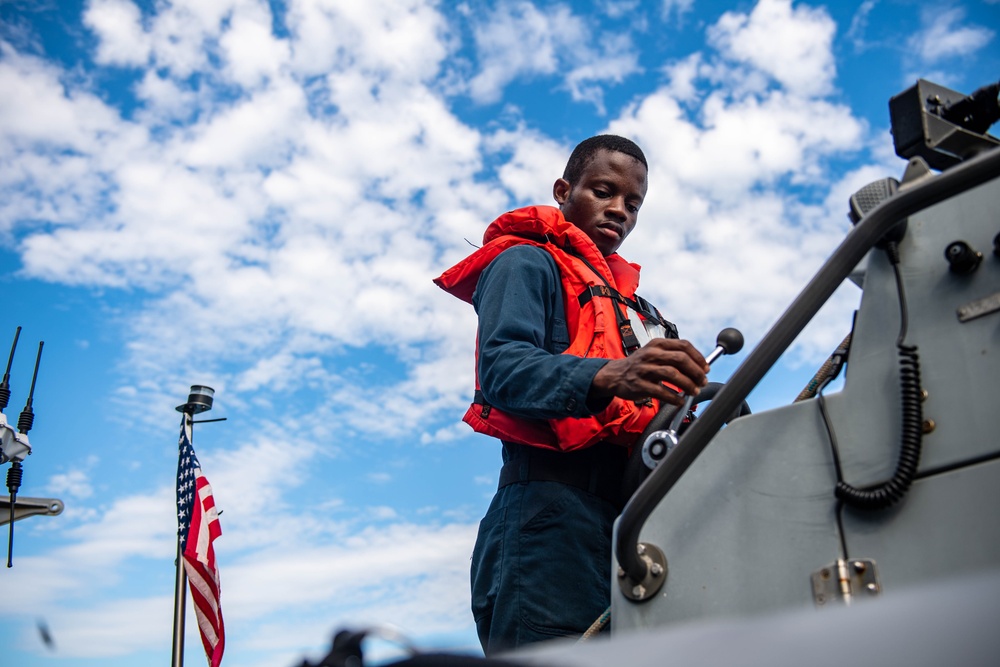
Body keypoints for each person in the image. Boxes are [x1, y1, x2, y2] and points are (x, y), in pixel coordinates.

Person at [434, 135, 709, 655]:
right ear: (564, 190)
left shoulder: (641, 310)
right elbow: (503, 369)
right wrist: (612, 377)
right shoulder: (525, 264)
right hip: (547, 523)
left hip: (633, 524)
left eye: (633, 204)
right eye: (604, 192)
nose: (619, 211)